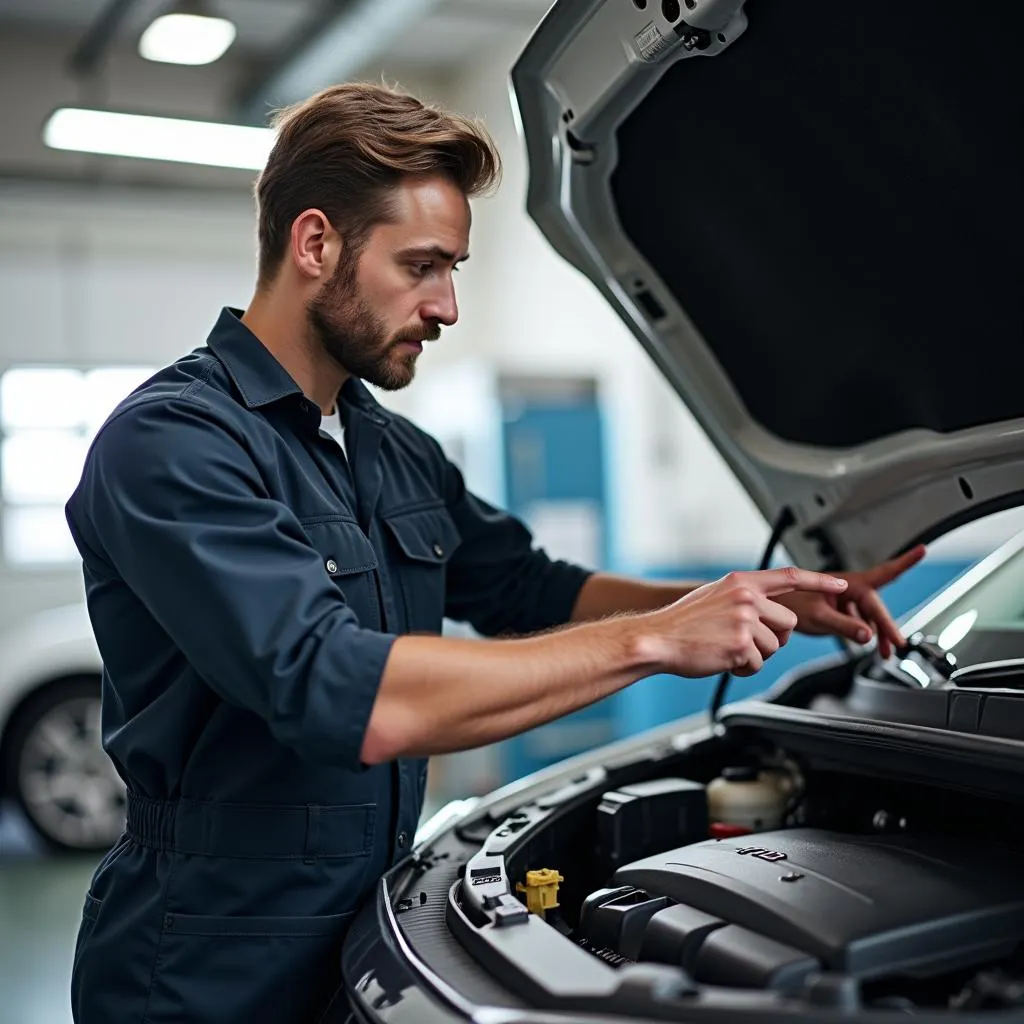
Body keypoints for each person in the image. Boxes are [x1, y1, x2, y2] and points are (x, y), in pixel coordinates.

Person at [65, 82, 924, 1024]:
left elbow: (529, 588)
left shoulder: (389, 447)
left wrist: (749, 599)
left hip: (371, 936)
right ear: (315, 244)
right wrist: (657, 642)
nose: (449, 305)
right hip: (205, 962)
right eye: (424, 266)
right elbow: (350, 695)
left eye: (456, 268)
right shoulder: (174, 443)